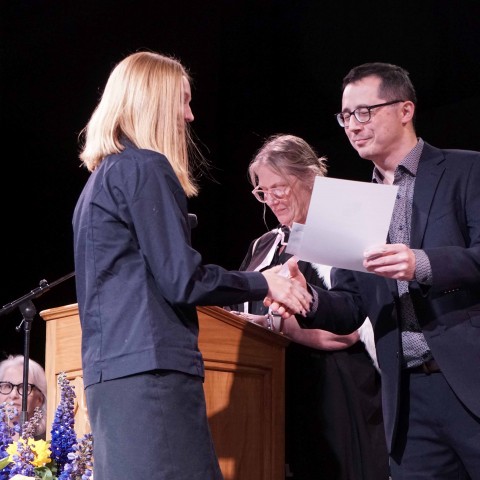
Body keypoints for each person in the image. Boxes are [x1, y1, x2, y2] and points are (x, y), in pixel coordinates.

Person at [72, 50, 311, 480]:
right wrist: (264, 282)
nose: (190, 115)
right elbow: (183, 280)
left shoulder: (99, 181)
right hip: (153, 374)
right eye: (182, 101)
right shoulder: (146, 167)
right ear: (155, 103)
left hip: (113, 377)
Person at [274, 63, 480, 479]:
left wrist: (420, 263)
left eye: (364, 112)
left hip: (470, 383)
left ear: (405, 110)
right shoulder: (355, 200)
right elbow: (351, 308)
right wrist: (306, 297)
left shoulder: (467, 170)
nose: (353, 125)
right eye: (346, 116)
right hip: (406, 399)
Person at [228, 134, 389, 480]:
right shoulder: (265, 244)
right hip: (278, 394)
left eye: (279, 188)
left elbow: (344, 334)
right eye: (262, 191)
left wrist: (263, 327)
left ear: (309, 178)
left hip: (333, 396)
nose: (270, 199)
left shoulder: (336, 229)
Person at [0, 354, 47, 440]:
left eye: (24, 387)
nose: (13, 395)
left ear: (40, 399)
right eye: (7, 386)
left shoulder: (48, 444)